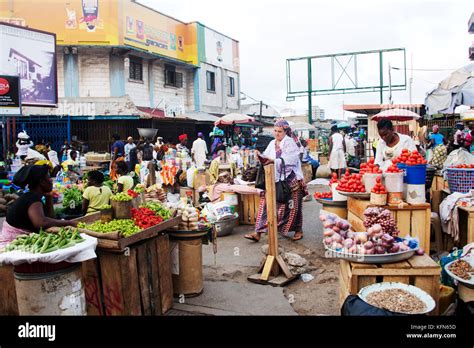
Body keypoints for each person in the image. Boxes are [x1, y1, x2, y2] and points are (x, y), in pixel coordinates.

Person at [244, 119, 307, 242]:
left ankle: (298, 230)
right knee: (266, 205)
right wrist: (260, 157)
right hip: (273, 178)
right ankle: (258, 232)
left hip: (291, 180)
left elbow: (292, 160)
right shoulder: (272, 143)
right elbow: (267, 156)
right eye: (275, 131)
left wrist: (274, 161)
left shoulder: (290, 143)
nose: (277, 134)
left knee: (294, 207)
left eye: (280, 131)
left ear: (286, 132)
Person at [0, 165, 78, 248]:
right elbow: (40, 222)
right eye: (48, 177)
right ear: (41, 182)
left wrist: (49, 198)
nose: (51, 180)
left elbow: (50, 217)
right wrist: (69, 223)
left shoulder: (32, 196)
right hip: (11, 245)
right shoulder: (33, 199)